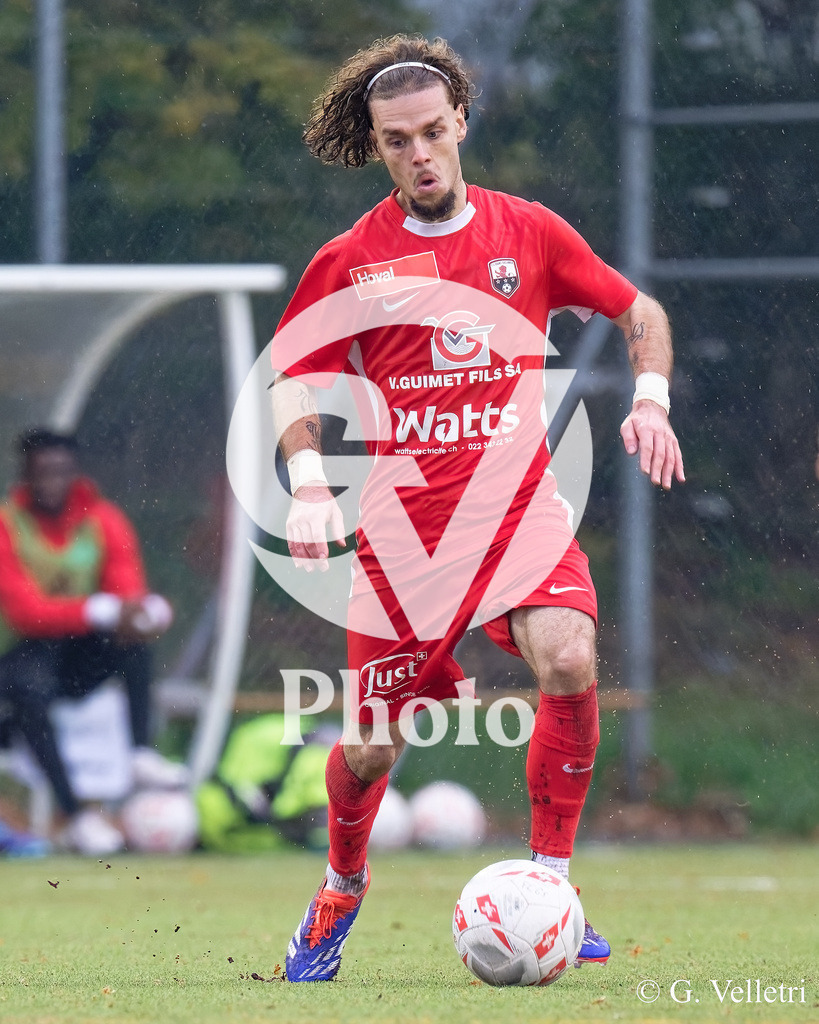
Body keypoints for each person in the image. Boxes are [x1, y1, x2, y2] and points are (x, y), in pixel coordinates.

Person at [269, 34, 685, 982]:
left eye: (430, 132)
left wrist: (650, 401)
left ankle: (551, 883)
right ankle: (339, 889)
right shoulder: (350, 261)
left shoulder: (527, 230)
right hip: (405, 542)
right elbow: (292, 380)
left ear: (460, 120)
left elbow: (639, 310)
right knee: (372, 750)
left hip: (515, 515)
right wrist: (305, 485)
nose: (417, 154)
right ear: (376, 147)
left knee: (570, 655)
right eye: (395, 141)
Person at [0, 428, 188, 855]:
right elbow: (24, 612)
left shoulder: (103, 519)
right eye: (43, 471)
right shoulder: (7, 525)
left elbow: (126, 592)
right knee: (29, 688)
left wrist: (142, 613)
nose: (53, 479)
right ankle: (76, 814)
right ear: (26, 475)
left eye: (62, 470)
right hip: (16, 656)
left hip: (72, 657)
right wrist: (96, 610)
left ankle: (139, 752)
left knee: (129, 641)